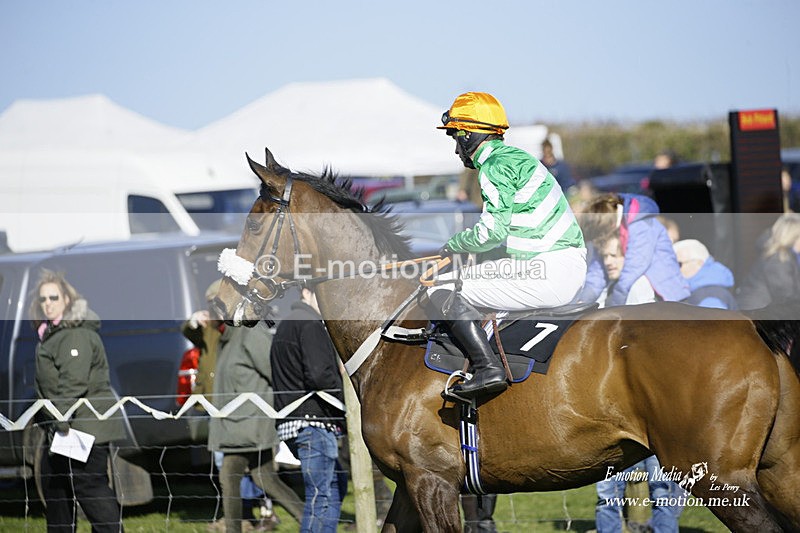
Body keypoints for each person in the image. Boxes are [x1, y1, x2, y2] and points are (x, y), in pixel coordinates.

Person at [431, 91, 587, 399]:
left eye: (454, 138)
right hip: (562, 264)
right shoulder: (518, 158)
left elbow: (493, 231)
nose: (455, 149)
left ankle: (488, 369)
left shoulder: (493, 165)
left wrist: (454, 245)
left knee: (440, 286)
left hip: (544, 270)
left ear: (467, 136)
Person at [590, 242, 684, 533]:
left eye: (614, 255)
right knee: (608, 494)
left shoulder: (642, 289)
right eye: (605, 256)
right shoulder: (599, 292)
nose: (609, 261)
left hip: (651, 407)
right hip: (610, 410)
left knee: (661, 489)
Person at [31, 269, 125, 533]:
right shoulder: (51, 334)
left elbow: (74, 382)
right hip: (63, 426)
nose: (47, 303)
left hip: (82, 425)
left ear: (67, 300)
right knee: (57, 484)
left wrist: (58, 420)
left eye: (53, 297)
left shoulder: (75, 334)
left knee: (89, 486)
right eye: (43, 299)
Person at [207, 308, 305, 533]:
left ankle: (234, 530)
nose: (210, 313)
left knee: (230, 476)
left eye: (217, 308)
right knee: (265, 477)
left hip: (250, 425)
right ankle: (310, 521)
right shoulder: (226, 337)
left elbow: (274, 370)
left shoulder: (249, 334)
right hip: (236, 426)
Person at [271, 287, 348, 533]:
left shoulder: (287, 323)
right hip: (312, 422)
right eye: (321, 292)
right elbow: (320, 376)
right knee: (321, 496)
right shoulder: (310, 323)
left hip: (293, 421)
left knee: (336, 485)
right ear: (306, 292)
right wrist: (344, 405)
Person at [576, 193, 689, 307]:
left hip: (666, 294)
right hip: (634, 285)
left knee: (636, 287)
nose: (598, 238)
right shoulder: (607, 230)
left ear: (606, 225)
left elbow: (634, 268)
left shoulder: (640, 224)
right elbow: (597, 272)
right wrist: (583, 302)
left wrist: (614, 308)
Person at [736, 213, 800, 310]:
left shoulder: (788, 255)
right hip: (756, 314)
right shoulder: (777, 259)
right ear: (793, 237)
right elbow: (787, 296)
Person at [183, 279, 224, 403]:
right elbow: (189, 332)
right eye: (212, 304)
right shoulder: (208, 328)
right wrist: (194, 321)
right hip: (206, 398)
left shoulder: (241, 327)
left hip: (229, 400)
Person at [673, 239, 737, 309]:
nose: (674, 269)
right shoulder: (705, 291)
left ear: (699, 263)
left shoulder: (709, 298)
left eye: (679, 264)